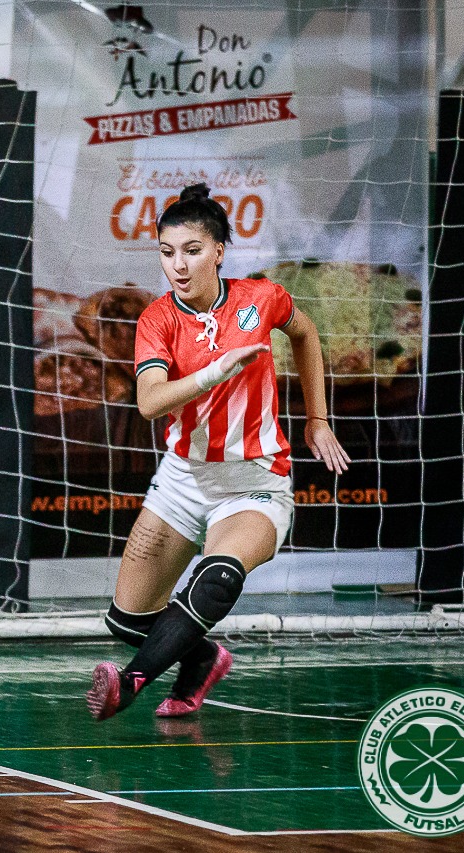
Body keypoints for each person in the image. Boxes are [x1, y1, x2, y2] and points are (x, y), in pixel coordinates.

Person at [86, 183, 350, 721]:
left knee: (219, 573)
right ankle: (203, 660)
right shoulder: (156, 319)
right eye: (166, 253)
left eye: (192, 250)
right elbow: (151, 402)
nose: (178, 265)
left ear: (219, 251)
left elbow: (306, 333)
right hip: (184, 478)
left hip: (255, 478)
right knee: (128, 620)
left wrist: (317, 420)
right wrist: (213, 372)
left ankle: (131, 684)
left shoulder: (260, 298)